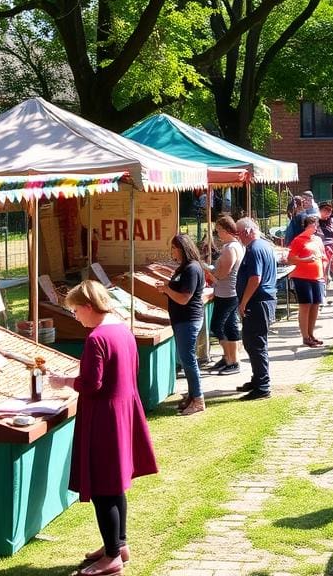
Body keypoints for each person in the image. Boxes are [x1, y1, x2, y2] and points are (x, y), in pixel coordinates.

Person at [49, 281, 158, 576]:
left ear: (87, 307)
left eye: (74, 311)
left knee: (103, 489)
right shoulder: (122, 329)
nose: (75, 317)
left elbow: (92, 384)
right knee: (115, 484)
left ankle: (112, 556)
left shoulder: (97, 337)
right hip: (123, 412)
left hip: (104, 419)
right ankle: (118, 544)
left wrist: (64, 381)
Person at [156, 234, 207, 416]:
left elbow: (185, 298)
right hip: (181, 320)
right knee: (185, 359)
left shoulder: (192, 269)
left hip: (188, 319)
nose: (172, 252)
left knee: (188, 360)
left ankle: (198, 399)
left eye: (173, 248)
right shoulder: (184, 268)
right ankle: (192, 396)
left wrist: (167, 290)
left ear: (182, 248)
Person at [236, 217, 277, 400]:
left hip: (257, 301)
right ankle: (257, 378)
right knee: (251, 342)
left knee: (256, 343)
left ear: (246, 232)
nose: (239, 238)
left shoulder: (254, 249)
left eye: (239, 234)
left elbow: (255, 278)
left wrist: (243, 301)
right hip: (263, 300)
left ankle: (262, 385)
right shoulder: (265, 246)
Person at [204, 215, 244, 375]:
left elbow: (223, 273)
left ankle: (232, 360)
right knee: (226, 325)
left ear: (227, 230)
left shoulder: (231, 248)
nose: (217, 234)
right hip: (225, 291)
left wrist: (208, 269)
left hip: (228, 292)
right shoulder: (233, 246)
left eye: (219, 230)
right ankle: (227, 357)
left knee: (221, 325)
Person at [288, 214, 326, 347]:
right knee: (305, 305)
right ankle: (305, 336)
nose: (315, 227)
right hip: (302, 276)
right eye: (312, 224)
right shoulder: (299, 239)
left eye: (316, 224)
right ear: (306, 226)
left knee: (315, 305)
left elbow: (323, 257)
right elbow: (290, 258)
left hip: (317, 276)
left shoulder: (318, 240)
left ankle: (311, 333)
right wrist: (305, 260)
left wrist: (324, 271)